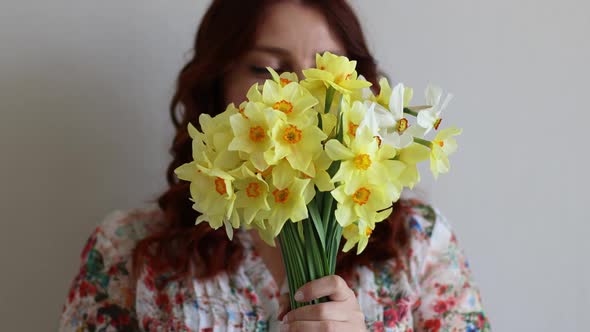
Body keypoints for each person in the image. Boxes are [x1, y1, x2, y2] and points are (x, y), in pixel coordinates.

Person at [59, 0, 490, 331]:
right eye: (269, 69)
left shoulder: (419, 245)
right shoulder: (128, 250)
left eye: (326, 73)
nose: (300, 93)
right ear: (218, 84)